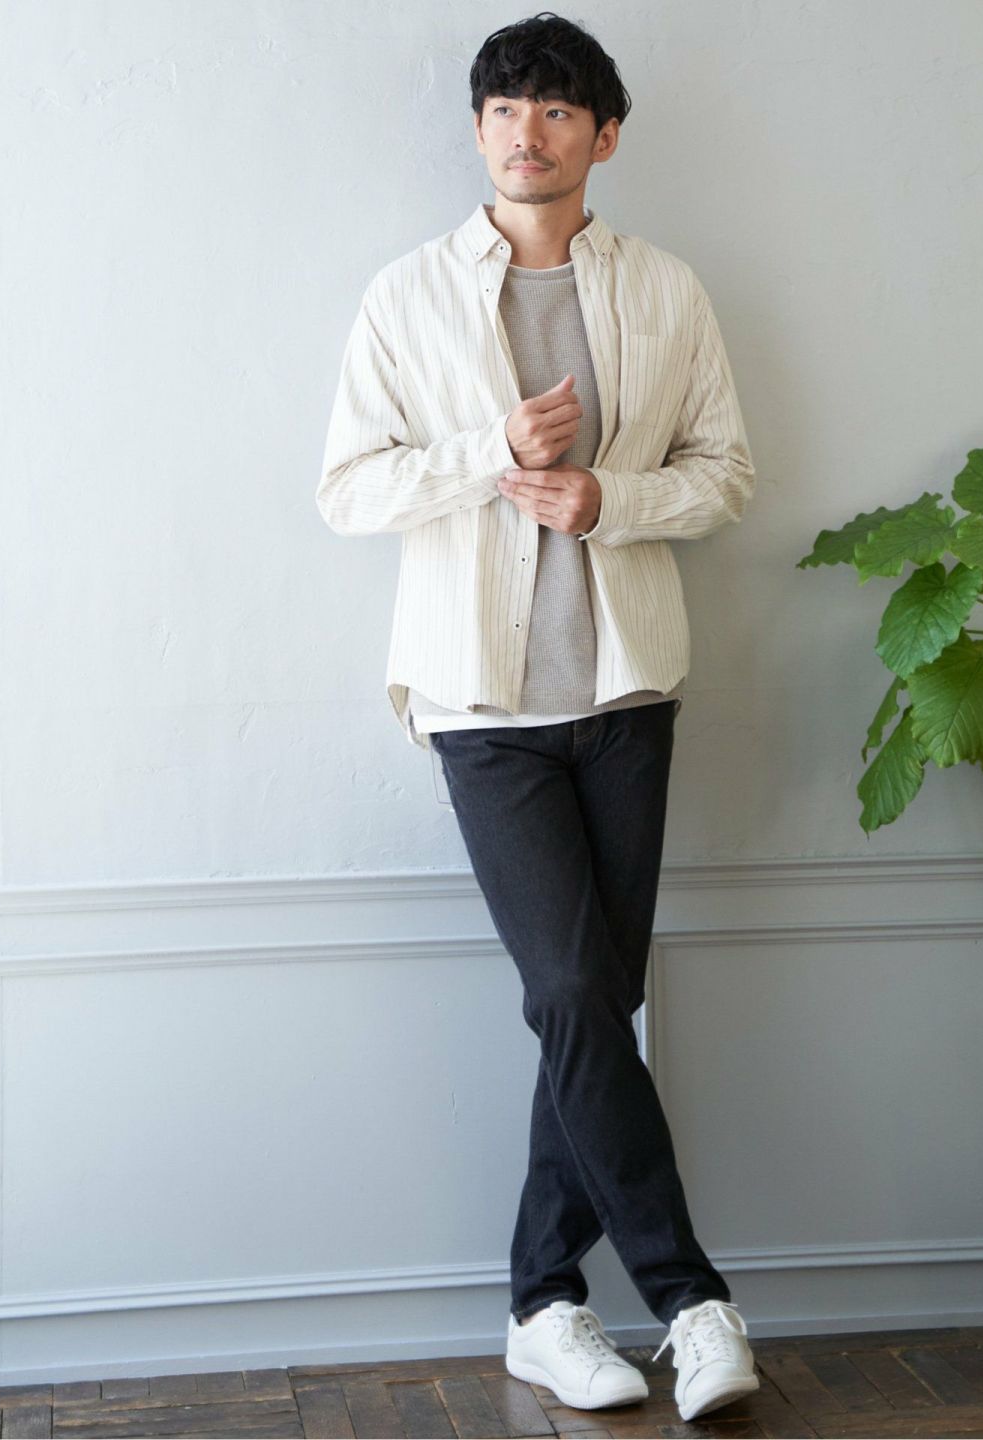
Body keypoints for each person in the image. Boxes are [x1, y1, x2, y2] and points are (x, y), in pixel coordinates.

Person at [316, 10, 760, 1425]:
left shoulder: (666, 291)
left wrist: (608, 500)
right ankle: (691, 1300)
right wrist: (490, 452)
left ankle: (542, 1305)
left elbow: (727, 474)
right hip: (481, 704)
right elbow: (348, 490)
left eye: (558, 110)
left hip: (626, 693)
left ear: (603, 136)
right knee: (572, 994)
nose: (527, 131)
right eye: (505, 107)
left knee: (594, 1007)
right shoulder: (407, 296)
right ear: (478, 128)